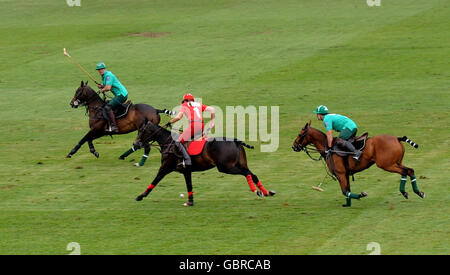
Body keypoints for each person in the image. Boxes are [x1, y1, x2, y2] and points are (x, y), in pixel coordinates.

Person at [166, 93, 215, 168]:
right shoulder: (198, 104)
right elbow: (212, 109)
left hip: (193, 125)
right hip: (201, 125)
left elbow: (179, 117)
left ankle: (185, 161)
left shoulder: (184, 105)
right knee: (192, 139)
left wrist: (170, 122)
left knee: (178, 142)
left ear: (184, 100)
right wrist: (212, 122)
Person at [96, 62, 128, 133]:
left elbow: (108, 88)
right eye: (98, 69)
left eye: (101, 69)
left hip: (122, 95)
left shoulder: (108, 76)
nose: (100, 70)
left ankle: (114, 126)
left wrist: (101, 90)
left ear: (104, 68)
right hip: (119, 94)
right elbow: (106, 85)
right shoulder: (104, 76)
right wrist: (101, 86)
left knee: (108, 107)